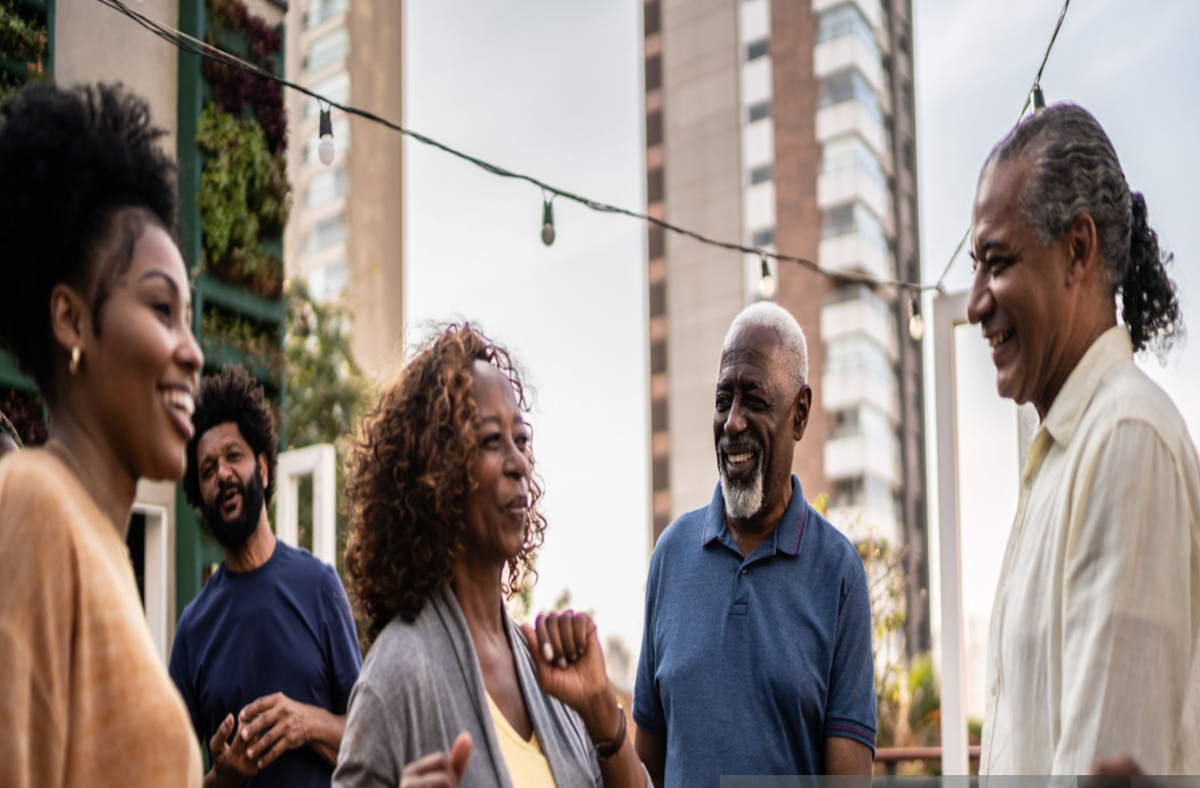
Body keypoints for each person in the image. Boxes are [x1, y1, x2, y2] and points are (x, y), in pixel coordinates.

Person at [968, 103, 1200, 774]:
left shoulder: (1127, 439)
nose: (978, 301)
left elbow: (1107, 752)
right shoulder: (1064, 455)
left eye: (997, 261)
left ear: (1078, 250)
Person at [334, 324, 647, 788]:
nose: (518, 463)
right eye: (490, 440)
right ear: (435, 473)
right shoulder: (398, 674)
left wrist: (602, 713)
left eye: (520, 440)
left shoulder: (551, 670)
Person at [0, 82, 204, 787]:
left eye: (191, 317)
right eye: (161, 308)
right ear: (72, 320)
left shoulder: (100, 551)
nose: (193, 350)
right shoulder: (31, 506)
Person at [633, 302, 876, 786]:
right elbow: (646, 769)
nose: (733, 423)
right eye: (724, 399)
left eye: (755, 401)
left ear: (800, 414)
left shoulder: (838, 573)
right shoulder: (671, 556)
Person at [171, 366, 362, 788]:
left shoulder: (320, 587)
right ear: (199, 497)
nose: (221, 474)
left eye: (233, 457)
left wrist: (307, 722)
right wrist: (221, 779)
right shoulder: (193, 629)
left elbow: (373, 739)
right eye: (206, 470)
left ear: (262, 467)